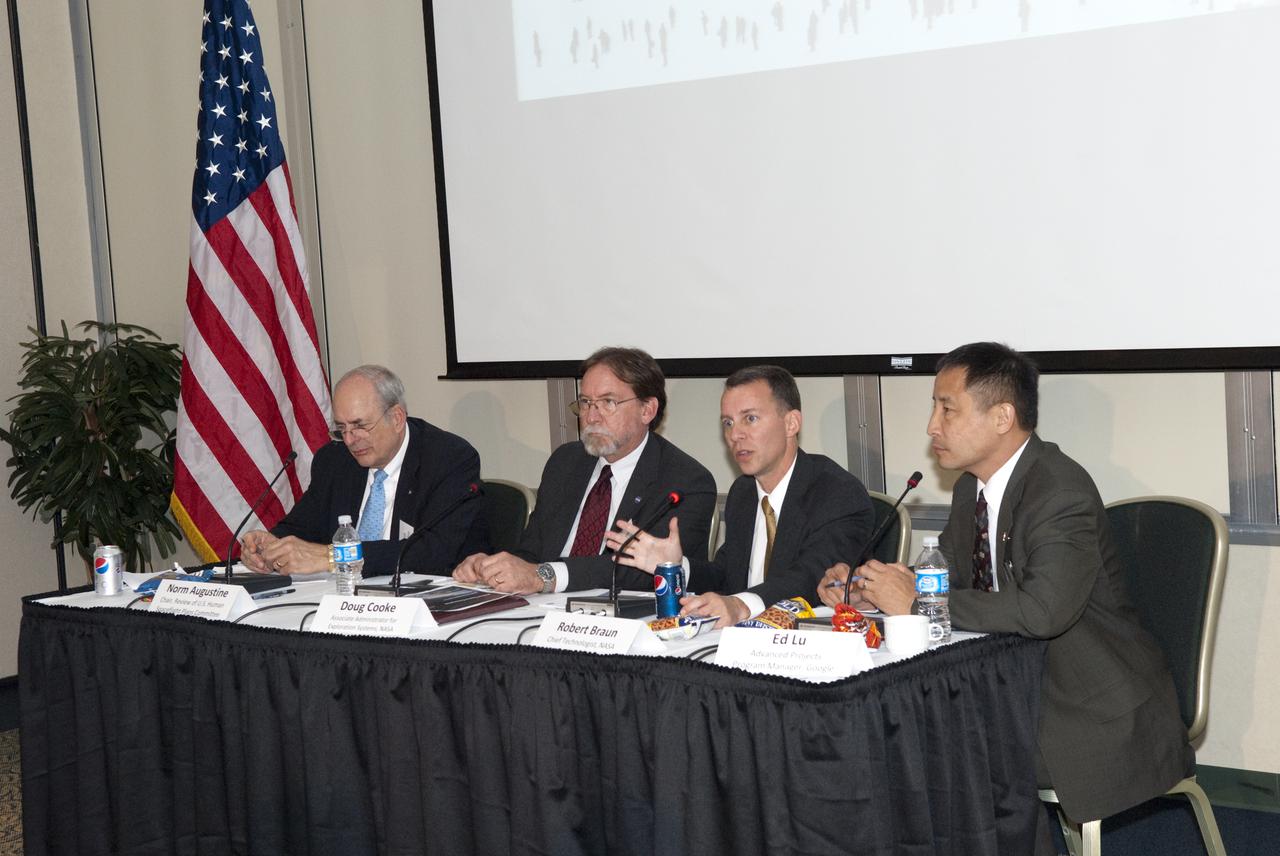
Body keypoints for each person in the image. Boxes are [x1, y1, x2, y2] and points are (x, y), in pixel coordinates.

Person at [819, 342, 1192, 852]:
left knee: (940, 749)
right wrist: (875, 591)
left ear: (1002, 417)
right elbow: (943, 577)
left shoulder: (1059, 490)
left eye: (946, 408)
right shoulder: (971, 489)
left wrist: (918, 605)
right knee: (896, 735)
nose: (932, 425)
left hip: (1084, 703)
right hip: (1009, 681)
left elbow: (1044, 611)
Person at [611, 365, 874, 627]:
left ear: (791, 423)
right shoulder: (744, 492)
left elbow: (809, 579)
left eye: (750, 418)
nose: (735, 435)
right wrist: (678, 567)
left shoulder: (836, 492)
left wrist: (739, 606)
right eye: (728, 423)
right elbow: (728, 576)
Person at [452, 347, 716, 594]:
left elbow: (643, 574)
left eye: (608, 402)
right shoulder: (565, 463)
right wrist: (492, 568)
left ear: (647, 410)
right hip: (544, 613)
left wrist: (545, 576)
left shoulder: (685, 481)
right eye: (586, 403)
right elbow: (531, 554)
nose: (591, 417)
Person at [241, 365, 486, 576]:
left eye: (360, 426)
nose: (349, 440)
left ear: (397, 418)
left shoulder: (449, 459)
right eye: (341, 428)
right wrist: (270, 544)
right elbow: (303, 526)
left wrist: (334, 557)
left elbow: (431, 552)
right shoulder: (334, 460)